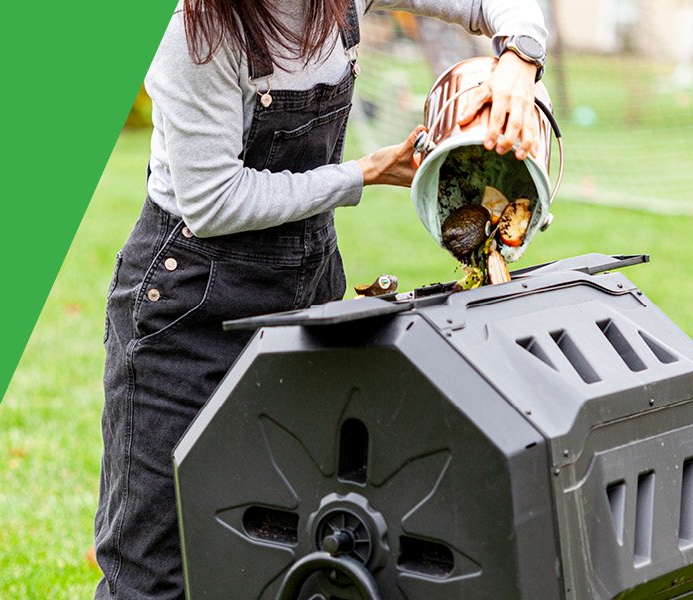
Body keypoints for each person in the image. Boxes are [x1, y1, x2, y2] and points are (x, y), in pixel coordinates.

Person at [94, 0, 549, 598]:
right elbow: (212, 201)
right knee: (154, 567)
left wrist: (519, 60)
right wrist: (361, 172)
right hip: (188, 309)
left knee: (293, 540)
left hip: (305, 292)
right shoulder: (192, 30)